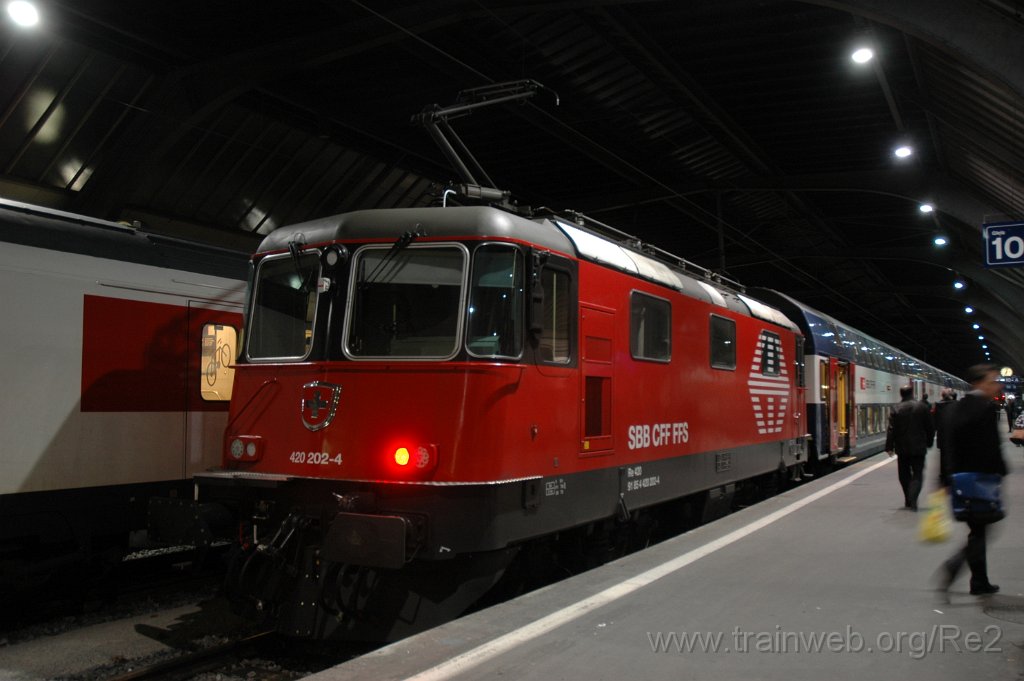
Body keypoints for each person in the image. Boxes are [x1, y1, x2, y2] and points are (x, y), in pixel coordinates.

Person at [938, 364, 1007, 596]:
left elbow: (946, 447)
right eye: (992, 381)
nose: (996, 385)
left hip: (959, 479)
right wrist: (1000, 473)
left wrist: (945, 480)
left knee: (978, 529)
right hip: (982, 480)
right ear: (978, 383)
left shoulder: (952, 409)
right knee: (981, 529)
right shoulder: (986, 409)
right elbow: (991, 448)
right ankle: (958, 568)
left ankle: (979, 581)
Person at [885, 384, 935, 510]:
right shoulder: (922, 407)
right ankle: (913, 498)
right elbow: (930, 427)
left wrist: (889, 447)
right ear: (912, 393)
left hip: (902, 448)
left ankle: (908, 498)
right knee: (917, 474)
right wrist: (929, 442)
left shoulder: (896, 408)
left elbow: (891, 429)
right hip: (919, 447)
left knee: (903, 474)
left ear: (901, 394)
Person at [934, 388, 957, 487]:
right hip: (953, 434)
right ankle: (951, 474)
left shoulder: (938, 405)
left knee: (943, 455)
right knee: (953, 454)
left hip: (942, 434)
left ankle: (943, 474)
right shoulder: (956, 405)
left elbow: (935, 421)